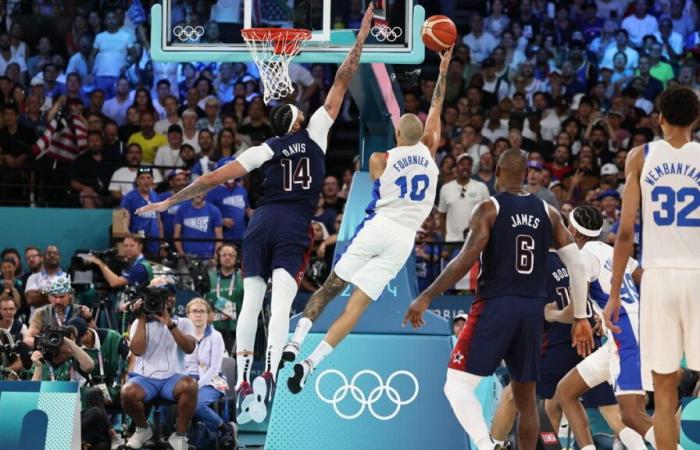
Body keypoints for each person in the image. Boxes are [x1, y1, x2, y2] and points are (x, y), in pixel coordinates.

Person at [135, 5, 375, 423]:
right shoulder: (316, 132)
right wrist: (360, 38)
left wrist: (168, 202)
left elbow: (212, 179)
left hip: (260, 222)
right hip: (293, 224)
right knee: (280, 304)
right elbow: (341, 81)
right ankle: (269, 372)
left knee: (252, 302)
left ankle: (244, 376)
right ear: (298, 119)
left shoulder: (264, 148)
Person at [282, 46, 450, 395]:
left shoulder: (379, 158)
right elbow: (436, 106)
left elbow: (378, 182)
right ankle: (312, 364)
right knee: (356, 308)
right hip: (404, 239)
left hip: (380, 226)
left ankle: (295, 343)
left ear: (397, 136)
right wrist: (444, 65)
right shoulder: (430, 151)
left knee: (330, 288)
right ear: (424, 138)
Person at [403, 149, 594, 450]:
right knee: (526, 398)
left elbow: (465, 259)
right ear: (525, 177)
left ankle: (487, 444)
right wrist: (581, 316)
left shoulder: (489, 209)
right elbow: (578, 265)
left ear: (499, 173)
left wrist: (427, 295)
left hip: (496, 304)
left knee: (456, 385)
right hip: (533, 310)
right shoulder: (549, 212)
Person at [608, 87, 700, 450]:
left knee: (664, 393)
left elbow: (626, 231)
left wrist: (614, 293)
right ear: (695, 120)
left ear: (659, 118)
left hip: (658, 278)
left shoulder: (640, 157)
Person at [554, 205, 654, 450]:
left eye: (568, 226)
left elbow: (576, 309)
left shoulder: (583, 256)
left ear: (575, 233)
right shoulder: (612, 252)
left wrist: (551, 314)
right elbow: (647, 280)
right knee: (566, 391)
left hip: (625, 336)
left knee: (631, 414)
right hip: (626, 333)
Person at [120, 285, 197, 450]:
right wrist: (141, 318)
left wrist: (169, 324)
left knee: (191, 385)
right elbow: (137, 351)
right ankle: (142, 429)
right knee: (127, 392)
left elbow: (189, 348)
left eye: (164, 298)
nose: (158, 302)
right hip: (145, 378)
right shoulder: (138, 323)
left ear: (172, 300)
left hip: (173, 378)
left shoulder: (184, 322)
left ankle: (179, 436)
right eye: (153, 299)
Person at [184, 298, 236, 447]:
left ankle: (224, 429)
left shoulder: (216, 336)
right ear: (188, 315)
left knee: (196, 404)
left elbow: (214, 368)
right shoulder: (183, 335)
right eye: (194, 311)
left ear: (208, 315)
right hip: (186, 379)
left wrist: (197, 385)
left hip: (212, 380)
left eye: (202, 311)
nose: (198, 315)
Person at [438, 154, 490, 243]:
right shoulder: (446, 188)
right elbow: (442, 216)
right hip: (452, 241)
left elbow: (488, 213)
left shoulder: (481, 187)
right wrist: (445, 237)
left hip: (475, 241)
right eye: (462, 164)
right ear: (456, 167)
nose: (465, 167)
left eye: (468, 165)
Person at [25, 276, 86, 348]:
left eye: (62, 297)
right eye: (55, 297)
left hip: (74, 352)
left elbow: (95, 338)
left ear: (70, 296)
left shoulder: (80, 310)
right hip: (49, 353)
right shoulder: (41, 312)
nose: (58, 301)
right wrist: (47, 342)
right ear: (49, 297)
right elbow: (27, 339)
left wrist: (89, 318)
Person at [206, 244, 244, 352]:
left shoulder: (242, 278)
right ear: (218, 257)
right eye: (224, 255)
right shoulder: (209, 277)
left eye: (231, 255)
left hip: (235, 329)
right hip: (213, 328)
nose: (227, 257)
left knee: (231, 364)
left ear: (236, 259)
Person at [120, 167, 164, 256]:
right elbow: (121, 226)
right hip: (136, 246)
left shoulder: (156, 197)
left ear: (153, 180)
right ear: (137, 180)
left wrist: (162, 245)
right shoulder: (128, 198)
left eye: (148, 178)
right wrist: (132, 244)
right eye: (142, 178)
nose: (146, 181)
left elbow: (159, 223)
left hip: (154, 245)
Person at [83, 234, 154, 289]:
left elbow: (115, 282)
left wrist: (100, 263)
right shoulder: (131, 263)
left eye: (132, 245)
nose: (128, 249)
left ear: (140, 247)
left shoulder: (141, 267)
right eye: (126, 246)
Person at [173, 194, 223, 260]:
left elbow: (219, 237)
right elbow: (176, 236)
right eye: (195, 191)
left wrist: (215, 255)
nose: (197, 194)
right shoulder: (181, 210)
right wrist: (181, 253)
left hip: (209, 257)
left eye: (201, 191)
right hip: (187, 256)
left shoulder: (214, 210)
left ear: (205, 193)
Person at [23, 245, 66, 312]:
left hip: (61, 320)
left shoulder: (66, 276)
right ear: (43, 258)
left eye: (55, 253)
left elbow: (68, 301)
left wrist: (42, 293)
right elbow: (31, 299)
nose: (52, 255)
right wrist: (58, 294)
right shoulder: (33, 277)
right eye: (49, 253)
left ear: (59, 257)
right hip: (38, 320)